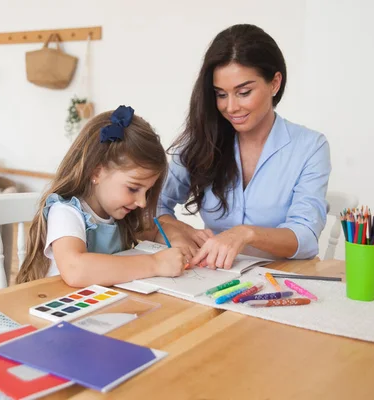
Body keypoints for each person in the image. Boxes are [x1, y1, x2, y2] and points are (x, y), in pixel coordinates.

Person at [157, 24, 331, 269]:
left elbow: (306, 236)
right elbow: (153, 203)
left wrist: (246, 234)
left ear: (275, 83)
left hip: (282, 278)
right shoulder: (202, 139)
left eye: (244, 92)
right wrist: (177, 231)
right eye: (221, 94)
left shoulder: (310, 147)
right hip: (213, 277)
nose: (231, 107)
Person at [17, 106, 186, 287]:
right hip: (60, 307)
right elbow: (76, 269)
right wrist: (155, 264)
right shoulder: (65, 212)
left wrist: (175, 238)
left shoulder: (117, 213)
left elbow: (152, 231)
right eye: (133, 188)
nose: (142, 202)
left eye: (147, 191)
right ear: (96, 172)